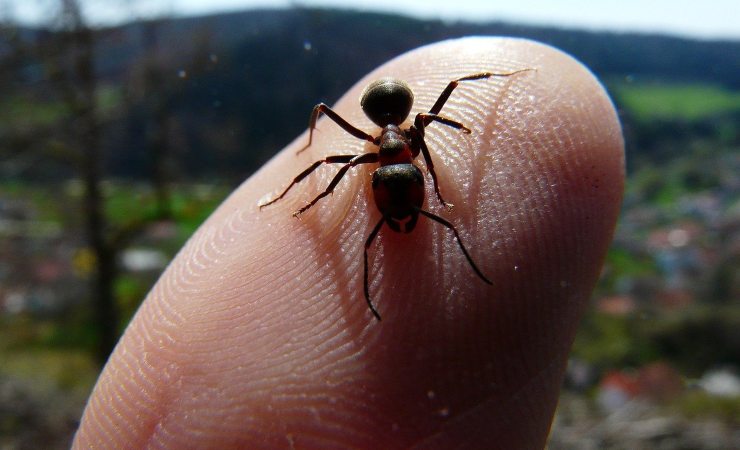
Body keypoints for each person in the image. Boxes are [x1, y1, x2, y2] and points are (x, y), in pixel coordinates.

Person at [73, 37, 624, 449]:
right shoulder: (374, 155)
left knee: (447, 96)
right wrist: (308, 197)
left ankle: (505, 78)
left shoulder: (412, 138)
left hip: (417, 120)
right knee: (326, 156)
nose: (399, 197)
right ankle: (298, 193)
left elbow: (432, 130)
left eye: (400, 189)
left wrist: (443, 145)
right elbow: (353, 164)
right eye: (396, 189)